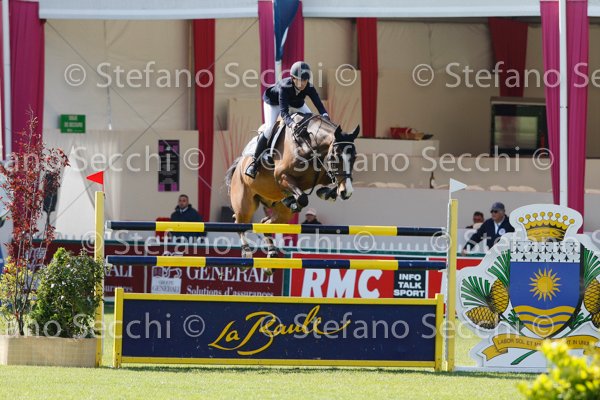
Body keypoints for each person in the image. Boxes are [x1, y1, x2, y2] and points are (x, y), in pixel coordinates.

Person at [245, 61, 330, 178]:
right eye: (300, 80)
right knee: (269, 128)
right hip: (274, 103)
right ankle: (254, 163)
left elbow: (319, 104)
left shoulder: (309, 87)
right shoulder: (285, 87)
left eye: (305, 80)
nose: (303, 83)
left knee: (312, 122)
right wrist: (292, 124)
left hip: (296, 103)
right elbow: (284, 113)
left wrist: (325, 116)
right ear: (293, 78)